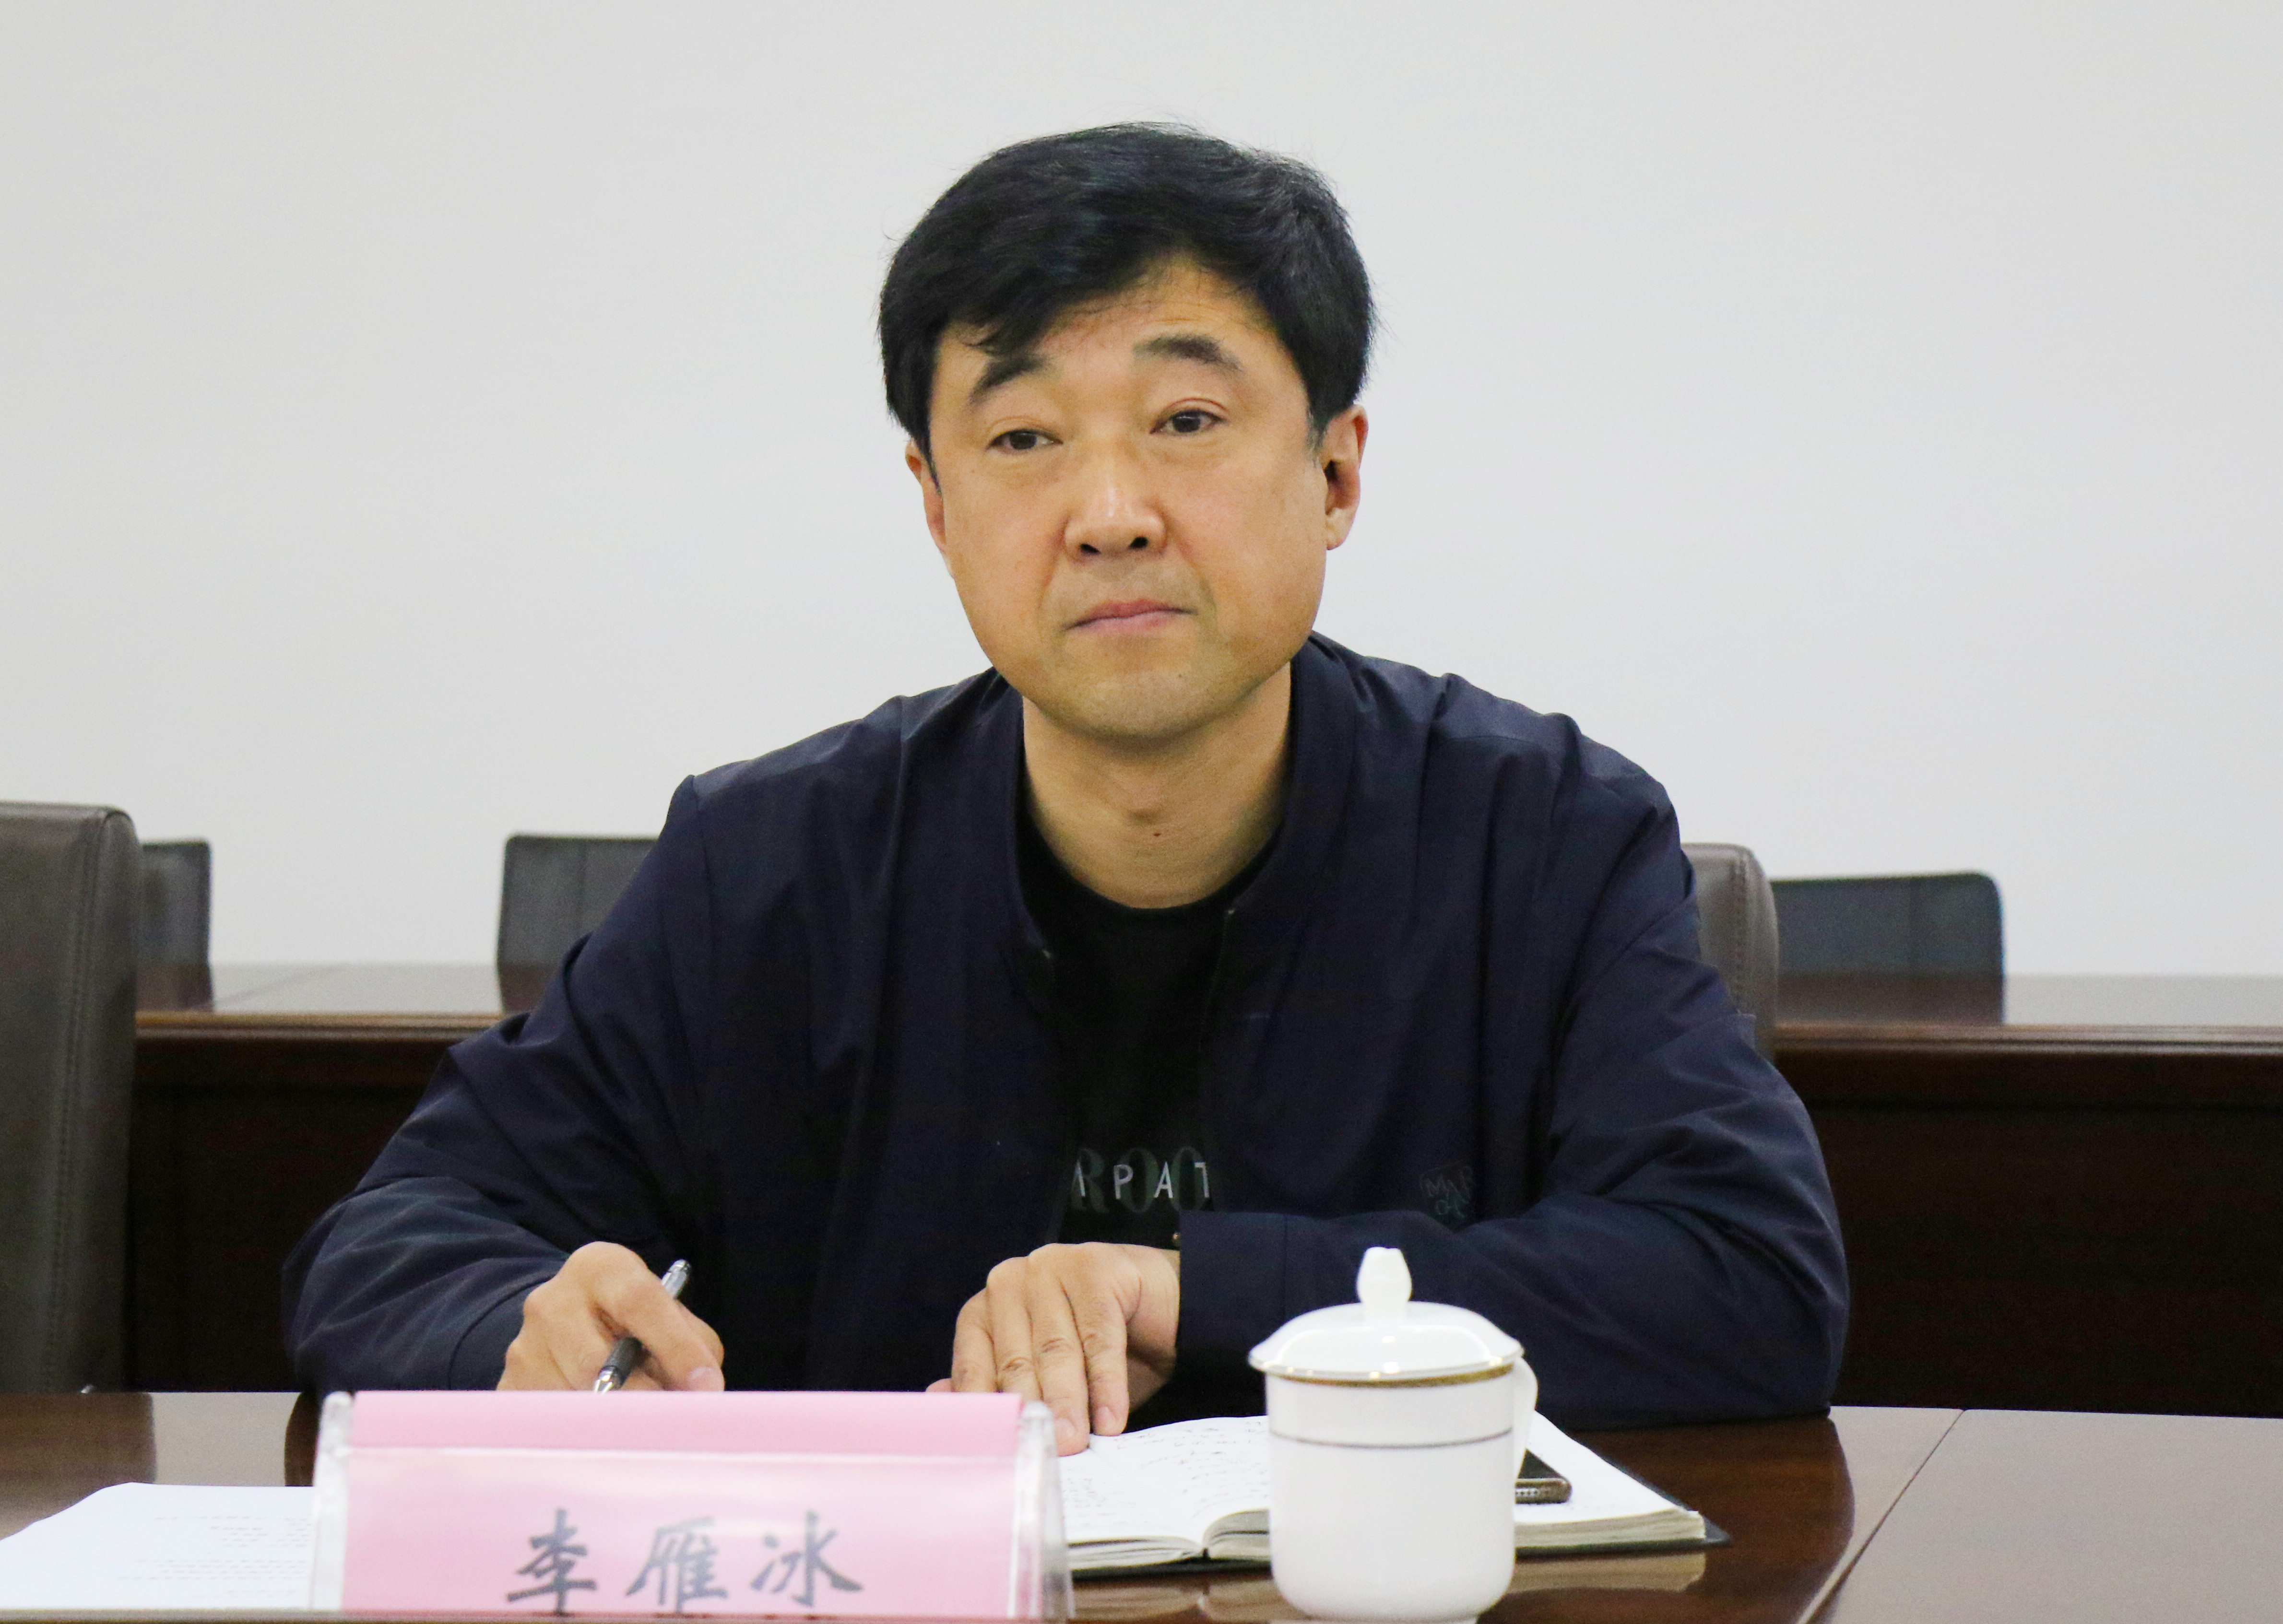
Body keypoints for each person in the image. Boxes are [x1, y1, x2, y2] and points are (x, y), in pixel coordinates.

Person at [284, 124, 1847, 1454]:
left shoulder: (1546, 840)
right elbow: (390, 1243)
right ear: (934, 502)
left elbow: (1750, 1279)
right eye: (1025, 436)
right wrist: (522, 1323)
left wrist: (1194, 1289)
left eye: (1187, 423)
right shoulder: (767, 868)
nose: (1110, 513)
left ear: (1336, 472)